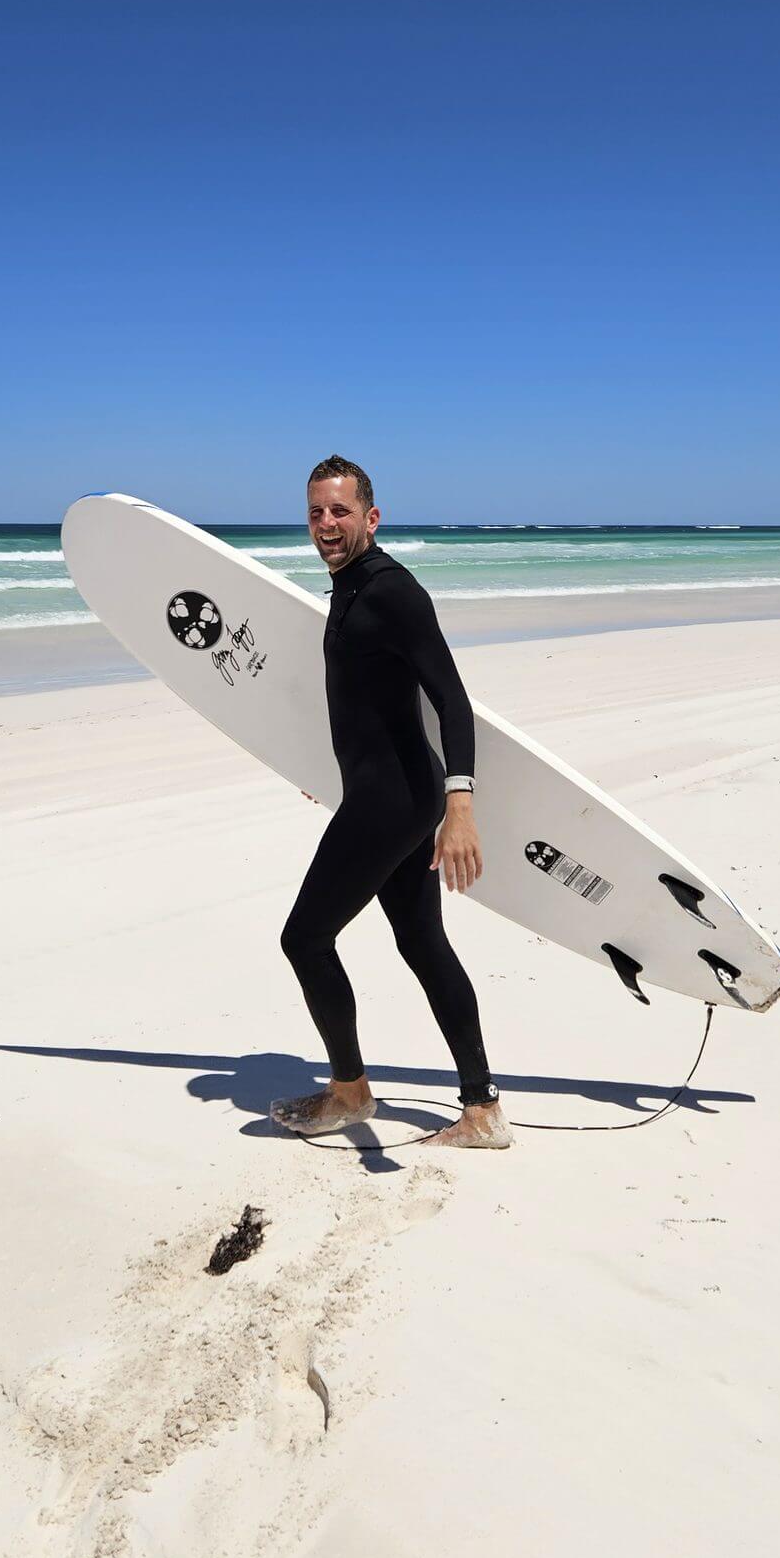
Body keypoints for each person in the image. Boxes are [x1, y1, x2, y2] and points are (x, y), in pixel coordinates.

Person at [271, 456, 511, 1150]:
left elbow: (452, 700)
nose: (326, 524)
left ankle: (349, 1091)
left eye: (340, 511)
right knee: (423, 943)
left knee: (305, 938)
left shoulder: (391, 591)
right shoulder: (347, 588)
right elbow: (364, 707)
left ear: (370, 518)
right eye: (316, 511)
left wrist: (459, 804)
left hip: (396, 800)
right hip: (385, 795)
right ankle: (481, 1111)